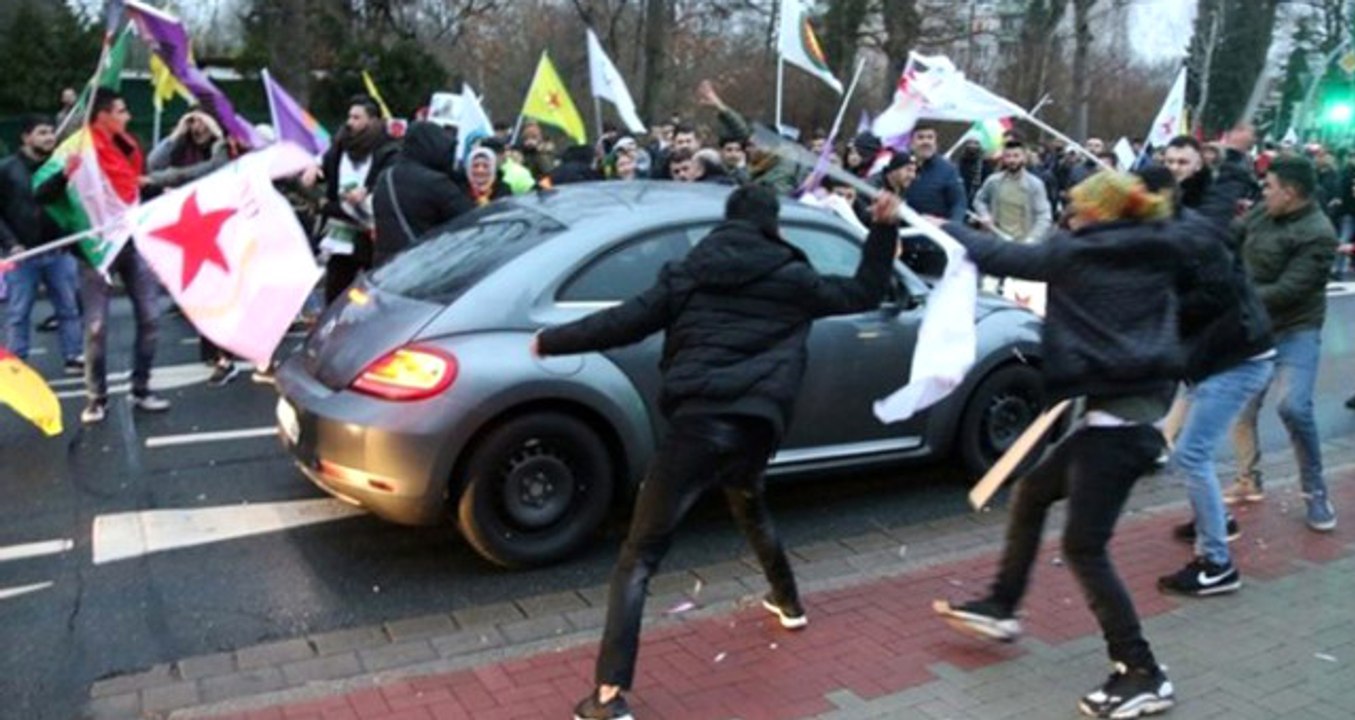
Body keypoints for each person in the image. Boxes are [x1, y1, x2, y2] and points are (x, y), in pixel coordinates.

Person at [543, 186, 903, 720]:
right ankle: (788, 601)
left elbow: (621, 322)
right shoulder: (793, 277)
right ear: (772, 226)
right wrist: (883, 229)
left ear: (727, 223)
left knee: (639, 557)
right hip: (756, 425)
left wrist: (551, 340)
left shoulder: (686, 273)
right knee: (748, 499)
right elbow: (865, 291)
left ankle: (608, 697)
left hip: (697, 425)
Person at [933, 171, 1200, 719]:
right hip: (1124, 415)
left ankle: (1142, 672)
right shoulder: (1152, 249)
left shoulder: (1083, 255)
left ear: (1097, 215)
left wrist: (941, 227)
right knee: (1033, 491)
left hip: (1119, 430)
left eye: (1075, 208)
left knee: (1084, 548)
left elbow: (1002, 256)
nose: (1066, 216)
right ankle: (1003, 604)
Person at [1146, 136, 1276, 598]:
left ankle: (1218, 563)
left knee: (1191, 455)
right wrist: (1238, 158)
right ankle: (1215, 522)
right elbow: (1223, 194)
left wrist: (1164, 307)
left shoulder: (1188, 239)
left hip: (1236, 358)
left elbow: (1215, 292)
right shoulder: (1184, 224)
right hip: (1219, 358)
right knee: (1190, 450)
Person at [1226, 154, 1338, 531]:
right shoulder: (1264, 212)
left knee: (1294, 407)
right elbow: (1234, 233)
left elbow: (1290, 290)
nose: (1264, 192)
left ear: (1290, 193)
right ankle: (1248, 478)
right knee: (1241, 406)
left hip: (1295, 329)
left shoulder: (1319, 233)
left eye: (1269, 186)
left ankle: (1315, 490)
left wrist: (1234, 295)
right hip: (1254, 329)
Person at [79, 90, 171, 424]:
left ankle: (141, 388)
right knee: (96, 326)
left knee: (150, 317)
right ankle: (95, 397)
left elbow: (132, 189)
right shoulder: (81, 150)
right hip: (98, 247)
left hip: (132, 242)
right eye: (122, 110)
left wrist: (158, 191)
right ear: (103, 115)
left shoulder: (129, 145)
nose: (128, 116)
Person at [144, 109, 239, 385]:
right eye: (192, 120)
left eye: (201, 120)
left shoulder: (225, 148)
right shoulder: (182, 145)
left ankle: (227, 354)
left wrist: (165, 180)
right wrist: (175, 135)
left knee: (222, 292)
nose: (196, 126)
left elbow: (211, 169)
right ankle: (214, 352)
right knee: (200, 293)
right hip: (191, 229)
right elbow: (153, 163)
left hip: (221, 227)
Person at [0, 114, 83, 373]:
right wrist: (11, 244)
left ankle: (74, 356)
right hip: (22, 254)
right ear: (26, 138)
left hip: (59, 250)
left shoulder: (60, 167)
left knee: (68, 307)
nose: (49, 138)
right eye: (42, 133)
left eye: (51, 132)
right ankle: (17, 364)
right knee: (18, 312)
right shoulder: (6, 169)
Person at [313, 95, 398, 305]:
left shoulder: (388, 149)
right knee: (336, 293)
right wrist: (312, 169)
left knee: (374, 294)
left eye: (356, 117)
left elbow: (390, 175)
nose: (350, 122)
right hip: (341, 231)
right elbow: (324, 166)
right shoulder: (339, 145)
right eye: (349, 117)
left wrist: (368, 189)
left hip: (371, 233)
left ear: (372, 120)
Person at [372, 121, 473, 268]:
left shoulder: (386, 176)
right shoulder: (435, 182)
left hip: (385, 267)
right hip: (420, 267)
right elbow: (469, 218)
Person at [972, 139, 1053, 244]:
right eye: (1008, 156)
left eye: (1016, 156)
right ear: (1004, 159)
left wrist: (1032, 239)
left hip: (1023, 244)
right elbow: (979, 200)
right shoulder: (993, 181)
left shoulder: (1035, 185)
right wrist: (985, 215)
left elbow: (1044, 215)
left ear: (1024, 157)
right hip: (996, 241)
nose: (1012, 160)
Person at [905, 124, 967, 223]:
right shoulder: (901, 165)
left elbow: (958, 203)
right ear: (911, 143)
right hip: (904, 232)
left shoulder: (949, 169)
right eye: (920, 137)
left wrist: (954, 228)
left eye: (930, 137)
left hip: (935, 233)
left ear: (935, 143)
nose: (926, 142)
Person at [956, 138, 994, 205]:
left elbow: (988, 179)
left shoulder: (985, 162)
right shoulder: (963, 160)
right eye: (970, 145)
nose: (972, 147)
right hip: (966, 192)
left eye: (975, 144)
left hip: (980, 194)